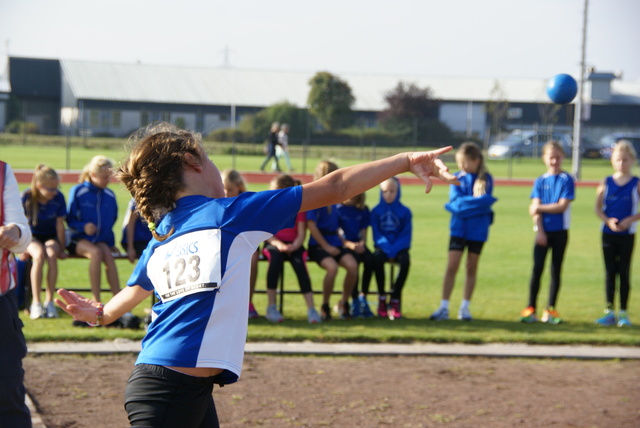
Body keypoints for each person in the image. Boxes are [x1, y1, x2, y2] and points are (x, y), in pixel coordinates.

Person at [54, 123, 457, 427]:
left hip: (177, 388)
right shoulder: (231, 213)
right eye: (210, 159)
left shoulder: (163, 236)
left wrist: (100, 314)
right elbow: (334, 187)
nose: (215, 168)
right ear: (192, 163)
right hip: (166, 392)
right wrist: (405, 161)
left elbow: (125, 298)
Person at [430, 142, 497, 321]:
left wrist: (465, 205)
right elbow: (458, 204)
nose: (462, 167)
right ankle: (444, 307)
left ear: (476, 161)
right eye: (460, 163)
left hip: (478, 231)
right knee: (452, 266)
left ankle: (465, 308)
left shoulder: (486, 179)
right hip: (458, 229)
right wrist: (479, 204)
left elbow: (462, 205)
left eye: (465, 162)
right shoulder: (456, 177)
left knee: (471, 267)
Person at [520, 141, 574, 324]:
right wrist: (539, 231)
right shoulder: (540, 181)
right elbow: (533, 211)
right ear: (544, 158)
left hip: (560, 232)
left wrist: (539, 207)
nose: (554, 161)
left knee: (555, 270)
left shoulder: (567, 179)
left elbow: (561, 206)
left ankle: (550, 310)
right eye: (551, 157)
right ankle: (530, 308)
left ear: (563, 157)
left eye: (557, 157)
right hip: (542, 232)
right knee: (537, 269)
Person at [0, 160, 33, 428]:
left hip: (1, 302)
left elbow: (22, 235)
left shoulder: (2, 171)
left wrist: (15, 231)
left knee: (7, 387)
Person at [262, 174, 320, 323]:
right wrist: (279, 244)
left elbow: (301, 234)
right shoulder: (269, 207)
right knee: (275, 262)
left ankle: (311, 309)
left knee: (300, 265)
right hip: (274, 244)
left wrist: (295, 245)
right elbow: (267, 233)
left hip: (294, 245)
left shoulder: (299, 208)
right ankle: (271, 307)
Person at [594, 140, 639, 327]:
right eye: (619, 160)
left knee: (624, 272)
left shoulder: (636, 183)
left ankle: (623, 312)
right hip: (608, 234)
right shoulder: (606, 182)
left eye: (625, 160)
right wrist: (608, 221)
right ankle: (609, 311)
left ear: (632, 161)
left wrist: (630, 219)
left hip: (627, 234)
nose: (622, 163)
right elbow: (597, 208)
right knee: (609, 272)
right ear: (613, 161)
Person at [307, 160, 358, 321]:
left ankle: (343, 303)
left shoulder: (336, 198)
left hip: (335, 241)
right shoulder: (314, 197)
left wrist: (343, 242)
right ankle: (325, 305)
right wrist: (326, 247)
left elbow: (336, 226)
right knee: (332, 268)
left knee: (352, 266)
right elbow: (312, 226)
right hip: (318, 244)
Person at [66, 155, 120, 303]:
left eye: (109, 177)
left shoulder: (109, 195)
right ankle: (96, 301)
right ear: (93, 175)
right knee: (96, 253)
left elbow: (111, 222)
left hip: (100, 239)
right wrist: (83, 226)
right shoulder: (78, 191)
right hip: (77, 238)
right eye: (104, 177)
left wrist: (110, 243)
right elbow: (69, 219)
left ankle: (119, 301)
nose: (108, 181)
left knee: (108, 255)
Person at [21, 164, 68, 319]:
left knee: (51, 254)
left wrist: (61, 247)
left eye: (56, 188)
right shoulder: (27, 197)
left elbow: (60, 226)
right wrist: (22, 247)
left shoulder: (58, 197)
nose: (54, 192)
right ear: (39, 186)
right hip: (31, 237)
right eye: (50, 189)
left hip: (50, 237)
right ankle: (36, 302)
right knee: (39, 256)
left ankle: (49, 302)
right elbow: (22, 225)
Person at [370, 177, 412, 320]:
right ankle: (382, 297)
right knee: (376, 259)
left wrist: (395, 249)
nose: (388, 194)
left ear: (398, 191)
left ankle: (394, 299)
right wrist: (387, 248)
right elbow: (376, 235)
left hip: (399, 248)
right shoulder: (375, 211)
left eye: (392, 191)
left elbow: (406, 235)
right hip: (383, 247)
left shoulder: (405, 212)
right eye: (385, 191)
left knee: (405, 261)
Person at [221, 169, 260, 319]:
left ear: (239, 187)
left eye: (230, 189)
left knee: (253, 258)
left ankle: (247, 302)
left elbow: (253, 226)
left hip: (246, 241)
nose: (226, 192)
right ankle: (225, 303)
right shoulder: (216, 200)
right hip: (224, 241)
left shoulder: (246, 201)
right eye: (223, 188)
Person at [336, 193, 375, 318]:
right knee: (354, 263)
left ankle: (363, 295)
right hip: (345, 246)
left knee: (370, 260)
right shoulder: (338, 209)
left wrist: (362, 243)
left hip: (358, 244)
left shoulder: (363, 209)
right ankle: (354, 299)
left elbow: (364, 232)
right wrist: (350, 245)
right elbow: (338, 234)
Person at [121, 198, 153, 263]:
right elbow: (130, 224)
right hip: (139, 240)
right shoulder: (139, 198)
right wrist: (130, 248)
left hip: (153, 239)